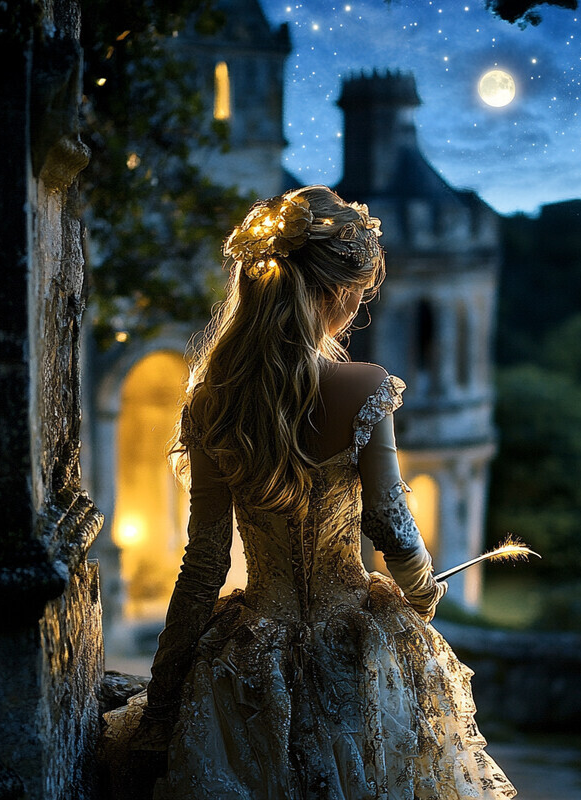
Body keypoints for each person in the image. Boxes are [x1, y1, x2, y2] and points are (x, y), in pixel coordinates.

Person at [99, 185, 517, 799]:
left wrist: (163, 701)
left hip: (249, 661)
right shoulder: (364, 389)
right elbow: (391, 524)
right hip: (352, 652)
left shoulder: (212, 401)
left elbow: (205, 563)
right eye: (358, 296)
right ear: (336, 295)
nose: (357, 310)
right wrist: (424, 587)